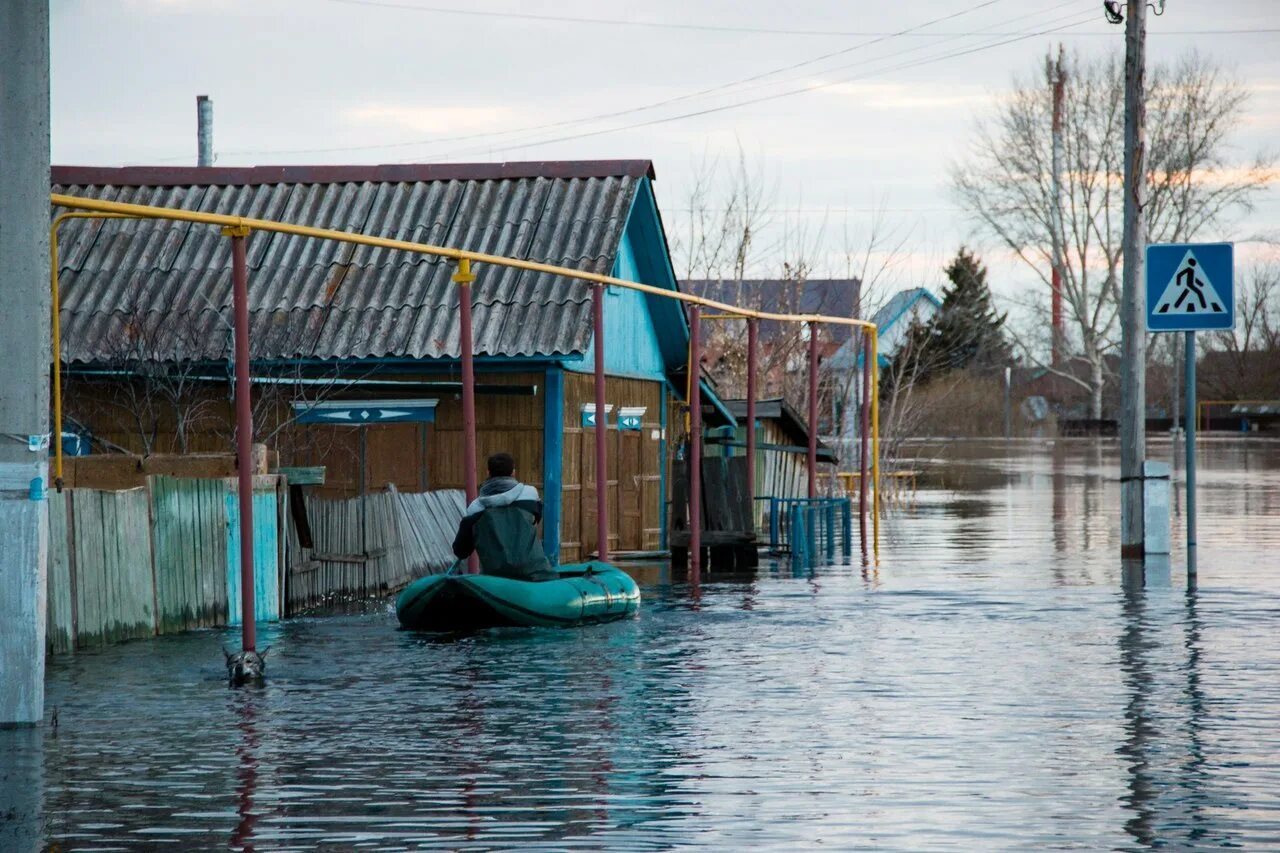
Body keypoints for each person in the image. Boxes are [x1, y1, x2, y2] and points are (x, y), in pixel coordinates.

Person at [452, 452, 557, 581]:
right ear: (513, 472)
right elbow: (536, 520)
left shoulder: (475, 508)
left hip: (495, 581)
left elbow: (461, 551)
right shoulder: (530, 495)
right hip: (534, 573)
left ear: (488, 473)